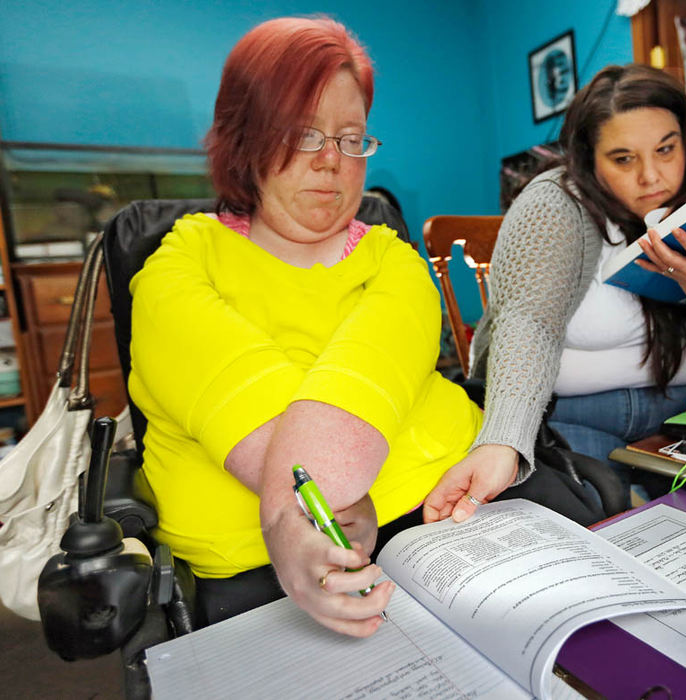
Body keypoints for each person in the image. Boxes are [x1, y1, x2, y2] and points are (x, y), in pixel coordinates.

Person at [128, 17, 485, 636]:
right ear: (244, 140)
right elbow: (247, 391)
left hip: (449, 519)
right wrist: (304, 520)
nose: (331, 162)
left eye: (352, 140)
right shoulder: (179, 264)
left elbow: (371, 367)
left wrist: (323, 497)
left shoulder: (393, 258)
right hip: (249, 575)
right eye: (302, 135)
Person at [425, 64, 686, 522]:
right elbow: (527, 323)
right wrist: (504, 440)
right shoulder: (553, 203)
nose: (651, 176)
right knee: (601, 535)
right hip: (570, 420)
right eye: (623, 159)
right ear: (589, 158)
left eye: (666, 150)